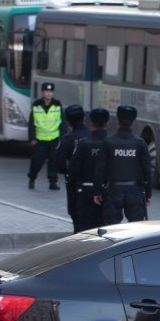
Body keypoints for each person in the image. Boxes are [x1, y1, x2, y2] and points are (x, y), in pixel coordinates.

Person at [96, 105, 153, 225]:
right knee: (136, 229)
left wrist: (97, 191)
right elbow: (147, 170)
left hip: (113, 191)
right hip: (135, 191)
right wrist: (148, 193)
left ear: (117, 120)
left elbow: (100, 169)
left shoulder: (108, 142)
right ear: (134, 122)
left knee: (111, 229)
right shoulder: (140, 143)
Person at [68, 108, 110, 232]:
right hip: (107, 191)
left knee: (85, 230)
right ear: (107, 123)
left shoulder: (83, 144)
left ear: (91, 123)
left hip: (85, 190)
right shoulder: (111, 143)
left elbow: (73, 169)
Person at [53, 104, 89, 233]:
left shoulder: (67, 140)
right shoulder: (94, 136)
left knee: (78, 223)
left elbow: (59, 165)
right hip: (97, 187)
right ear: (84, 118)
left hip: (75, 185)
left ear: (68, 121)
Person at [27, 82, 64, 190]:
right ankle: (32, 178)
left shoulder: (57, 105)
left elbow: (62, 123)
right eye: (46, 92)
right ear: (42, 92)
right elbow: (31, 123)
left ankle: (53, 182)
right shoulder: (36, 105)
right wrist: (32, 138)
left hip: (54, 138)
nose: (48, 94)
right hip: (40, 139)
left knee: (53, 162)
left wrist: (62, 138)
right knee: (37, 161)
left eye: (50, 92)